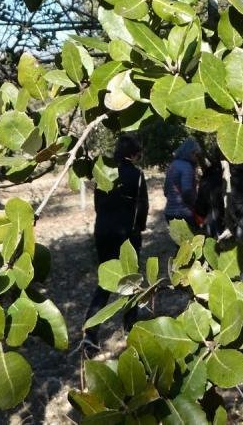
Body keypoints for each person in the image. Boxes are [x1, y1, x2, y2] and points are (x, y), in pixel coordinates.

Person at [83, 135, 148, 350]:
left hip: (103, 231)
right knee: (131, 282)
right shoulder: (136, 175)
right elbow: (143, 207)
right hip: (126, 234)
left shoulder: (105, 173)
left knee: (104, 283)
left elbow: (97, 205)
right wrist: (139, 227)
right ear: (134, 153)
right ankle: (130, 330)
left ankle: (90, 334)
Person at [163, 138, 200, 223]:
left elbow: (165, 191)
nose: (197, 158)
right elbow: (187, 192)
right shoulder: (187, 167)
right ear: (189, 153)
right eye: (196, 154)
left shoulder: (172, 165)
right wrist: (195, 204)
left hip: (169, 213)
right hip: (183, 214)